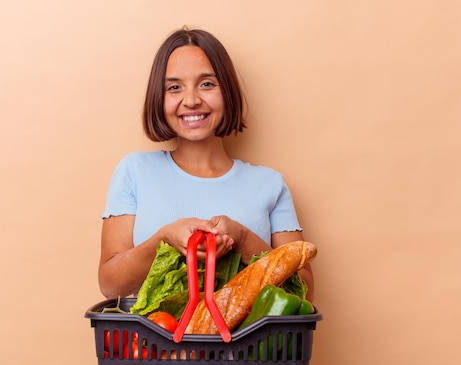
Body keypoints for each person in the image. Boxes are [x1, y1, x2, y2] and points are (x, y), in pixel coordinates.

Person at [98, 27, 314, 302]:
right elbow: (110, 285)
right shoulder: (134, 172)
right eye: (174, 87)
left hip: (249, 346)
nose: (191, 100)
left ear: (228, 92)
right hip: (155, 344)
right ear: (158, 97)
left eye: (207, 84)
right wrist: (164, 240)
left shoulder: (270, 185)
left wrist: (244, 240)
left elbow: (306, 294)